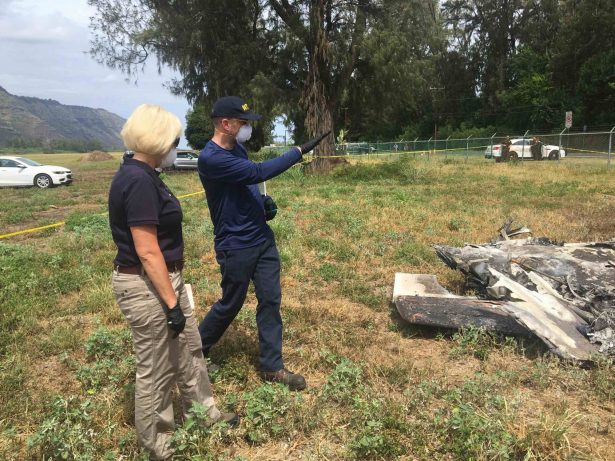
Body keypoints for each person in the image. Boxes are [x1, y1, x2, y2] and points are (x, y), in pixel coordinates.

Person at [109, 104, 236, 461]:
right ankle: (159, 446)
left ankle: (204, 414)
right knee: (156, 369)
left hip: (164, 281)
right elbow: (147, 250)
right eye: (174, 140)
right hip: (148, 286)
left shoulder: (144, 174)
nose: (176, 146)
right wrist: (170, 304)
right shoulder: (136, 180)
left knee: (190, 349)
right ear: (158, 139)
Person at [197, 96, 329, 391]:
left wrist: (262, 202)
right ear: (225, 124)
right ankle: (196, 351)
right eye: (243, 123)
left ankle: (273, 366)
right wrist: (298, 151)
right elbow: (257, 173)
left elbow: (249, 184)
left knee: (270, 299)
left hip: (261, 239)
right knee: (231, 302)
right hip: (236, 244)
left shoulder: (237, 148)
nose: (247, 128)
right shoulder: (211, 158)